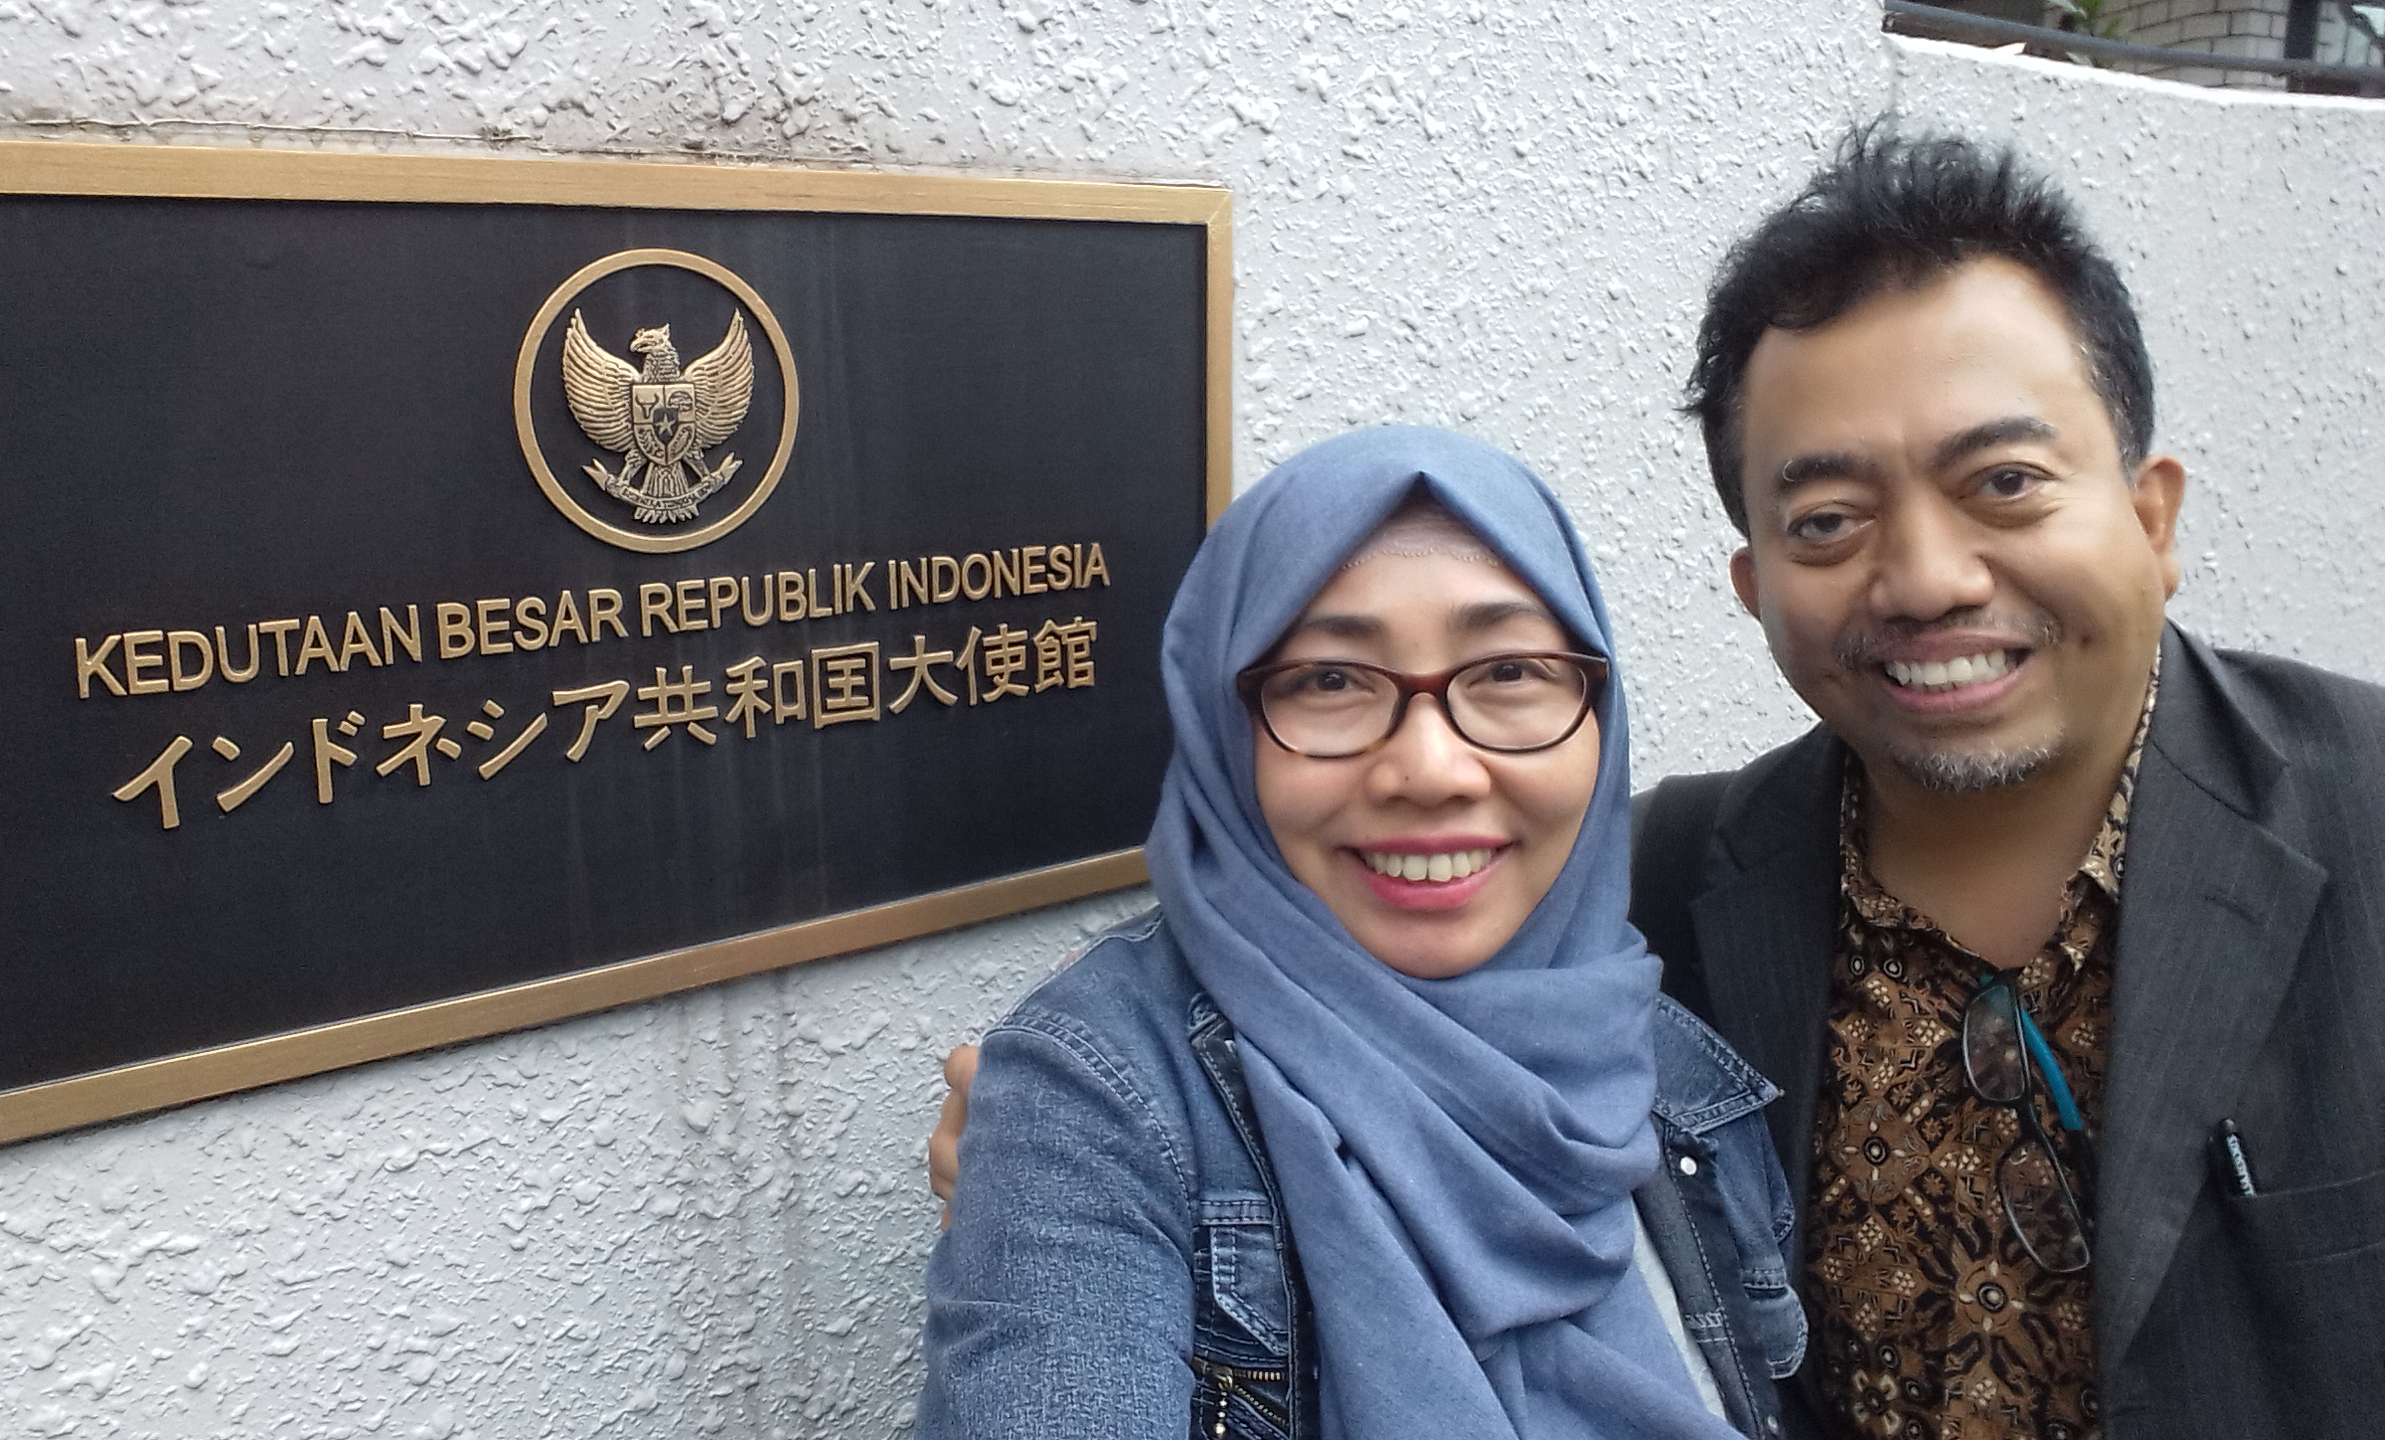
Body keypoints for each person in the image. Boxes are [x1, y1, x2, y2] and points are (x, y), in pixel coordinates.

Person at [934, 128, 2385, 1439]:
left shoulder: (2363, 822)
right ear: (1756, 585)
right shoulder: (1667, 890)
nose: (1929, 577)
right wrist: (1075, 1138)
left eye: (2002, 483)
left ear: (2152, 515)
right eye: (1829, 518)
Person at [919, 427, 1805, 1440]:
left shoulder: (1658, 1055)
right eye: (1330, 680)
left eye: (1509, 669)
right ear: (1223, 726)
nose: (1430, 770)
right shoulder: (1092, 1101)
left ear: (1598, 714)